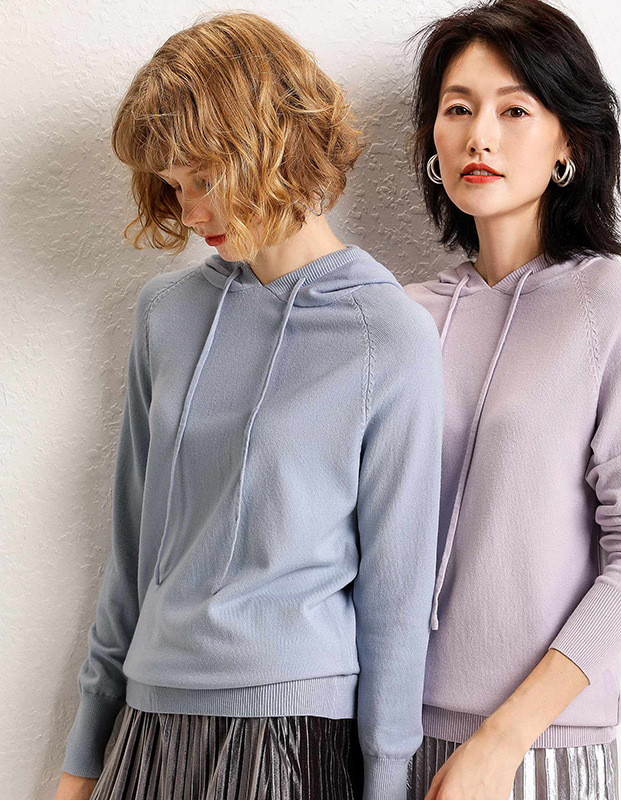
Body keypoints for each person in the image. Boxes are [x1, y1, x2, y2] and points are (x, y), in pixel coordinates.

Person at [55, 11, 444, 800]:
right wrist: (80, 766)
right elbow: (132, 555)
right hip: (149, 724)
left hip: (293, 737)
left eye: (203, 179)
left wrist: (387, 781)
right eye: (173, 186)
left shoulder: (387, 334)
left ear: (272, 147)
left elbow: (397, 599)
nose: (189, 211)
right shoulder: (165, 315)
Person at [402, 1, 621, 798]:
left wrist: (503, 740)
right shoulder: (403, 316)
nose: (479, 136)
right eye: (458, 109)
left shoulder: (608, 305)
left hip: (539, 748)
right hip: (392, 732)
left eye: (515, 110)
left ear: (569, 142)